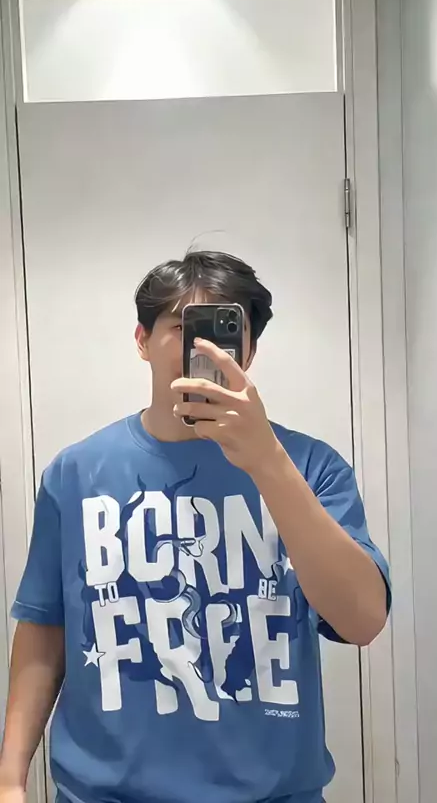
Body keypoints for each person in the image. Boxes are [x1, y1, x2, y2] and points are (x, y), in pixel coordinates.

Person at [0, 251, 390, 803]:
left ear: (248, 351)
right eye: (183, 328)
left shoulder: (311, 467)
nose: (201, 347)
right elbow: (44, 631)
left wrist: (266, 462)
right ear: (142, 340)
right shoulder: (75, 473)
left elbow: (362, 621)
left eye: (223, 330)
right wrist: (10, 779)